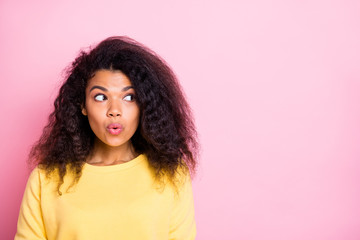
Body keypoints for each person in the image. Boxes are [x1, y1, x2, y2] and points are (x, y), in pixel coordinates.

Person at [15, 36, 199, 240]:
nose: (114, 111)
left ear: (144, 106)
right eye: (101, 97)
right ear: (83, 105)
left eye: (129, 97)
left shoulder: (172, 175)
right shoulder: (46, 179)